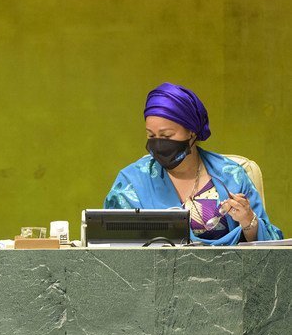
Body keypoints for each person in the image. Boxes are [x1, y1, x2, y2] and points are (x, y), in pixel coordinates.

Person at [104, 82, 282, 245]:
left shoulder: (231, 175)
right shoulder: (132, 182)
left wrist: (248, 221)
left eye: (166, 136)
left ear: (191, 132)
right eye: (151, 136)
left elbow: (269, 249)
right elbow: (111, 245)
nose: (158, 143)